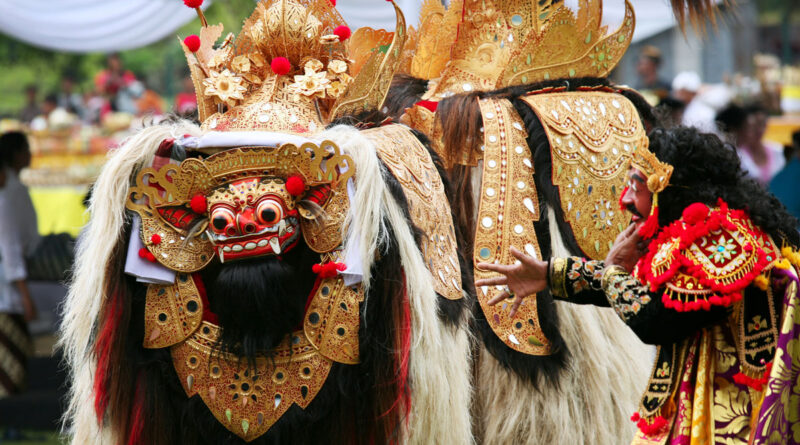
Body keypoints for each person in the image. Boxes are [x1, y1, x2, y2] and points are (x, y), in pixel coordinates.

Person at [477, 126, 800, 443]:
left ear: (669, 189)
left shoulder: (721, 239)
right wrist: (550, 274)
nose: (626, 199)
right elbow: (645, 289)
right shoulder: (698, 231)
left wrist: (612, 270)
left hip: (730, 420)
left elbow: (656, 319)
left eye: (637, 185)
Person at [0, 131, 41, 399]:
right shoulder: (7, 197)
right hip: (8, 288)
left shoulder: (12, 191)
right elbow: (11, 249)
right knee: (11, 355)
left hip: (11, 281)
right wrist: (25, 296)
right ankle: (11, 419)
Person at [717, 103, 785, 184]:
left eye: (763, 124)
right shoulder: (727, 155)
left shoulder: (775, 149)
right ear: (734, 130)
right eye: (748, 127)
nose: (752, 132)